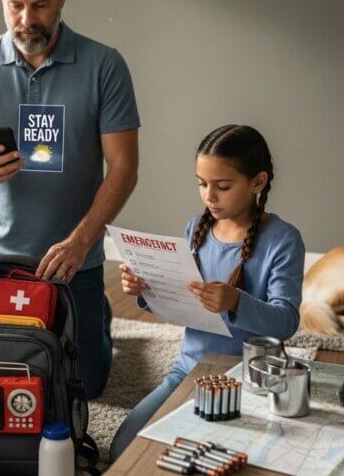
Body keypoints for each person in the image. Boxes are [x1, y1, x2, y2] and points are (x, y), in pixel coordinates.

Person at [0, 0, 140, 399]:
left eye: (39, 5)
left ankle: (99, 318)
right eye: (15, 6)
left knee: (82, 387)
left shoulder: (104, 65)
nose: (26, 20)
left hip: (75, 261)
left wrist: (81, 241)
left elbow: (125, 168)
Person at [109, 125, 305, 461]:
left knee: (223, 460)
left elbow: (285, 322)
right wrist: (146, 289)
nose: (209, 196)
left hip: (248, 380)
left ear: (257, 182)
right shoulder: (195, 229)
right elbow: (182, 305)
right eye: (202, 184)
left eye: (223, 186)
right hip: (188, 371)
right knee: (122, 450)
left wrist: (235, 301)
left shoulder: (283, 240)